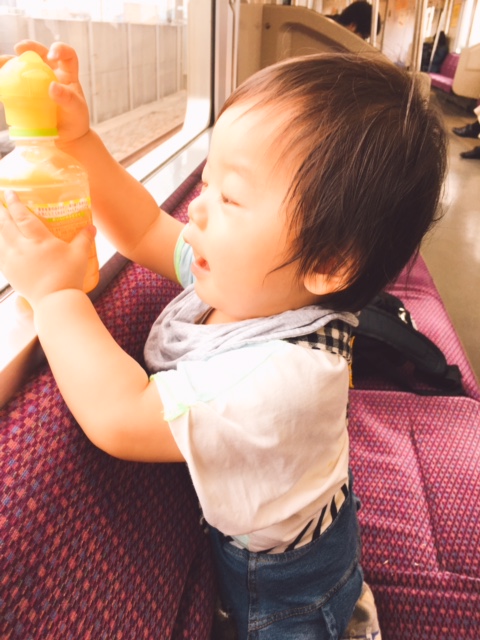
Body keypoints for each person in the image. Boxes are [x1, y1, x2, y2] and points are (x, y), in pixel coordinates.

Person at [0, 41, 446, 639]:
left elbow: (120, 417)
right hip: (313, 515)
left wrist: (55, 295)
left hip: (289, 585)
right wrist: (78, 141)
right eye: (206, 182)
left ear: (328, 263)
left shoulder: (280, 382)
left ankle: (343, 609)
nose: (198, 210)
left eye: (230, 197)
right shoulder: (257, 282)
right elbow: (144, 227)